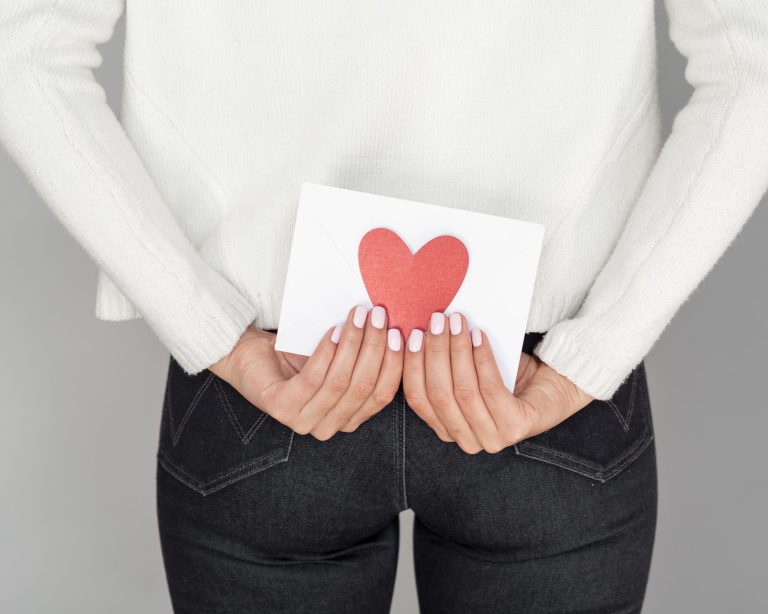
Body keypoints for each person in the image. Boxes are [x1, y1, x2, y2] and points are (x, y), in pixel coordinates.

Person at [0, 1, 765, 612]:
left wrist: (209, 328)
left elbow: (23, 47)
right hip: (539, 385)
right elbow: (750, 61)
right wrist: (596, 350)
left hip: (270, 381)